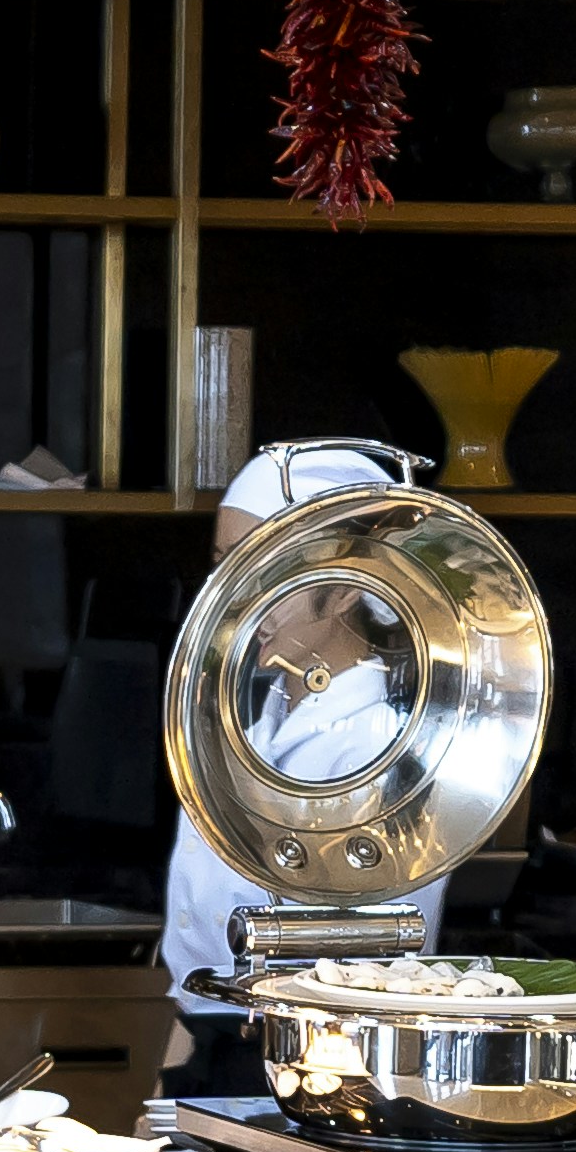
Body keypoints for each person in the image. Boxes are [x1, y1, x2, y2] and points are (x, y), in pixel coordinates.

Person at [154, 439, 434, 1096]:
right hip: (213, 1053)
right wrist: (168, 1089)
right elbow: (199, 963)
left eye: (259, 568)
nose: (230, 597)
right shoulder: (261, 723)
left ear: (342, 588)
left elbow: (364, 971)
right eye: (225, 565)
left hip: (314, 1069)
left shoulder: (380, 747)